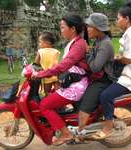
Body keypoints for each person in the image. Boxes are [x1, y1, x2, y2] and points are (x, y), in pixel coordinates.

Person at [92, 2, 131, 140]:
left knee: (105, 95)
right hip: (128, 74)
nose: (117, 21)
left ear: (126, 19)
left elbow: (129, 59)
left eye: (118, 18)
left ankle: (109, 126)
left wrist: (115, 59)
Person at [32, 14, 89, 145]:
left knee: (44, 105)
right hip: (72, 82)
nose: (61, 30)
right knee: (50, 96)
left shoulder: (79, 44)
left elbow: (63, 65)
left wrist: (41, 74)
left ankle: (65, 133)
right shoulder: (73, 43)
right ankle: (61, 128)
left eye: (63, 27)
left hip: (76, 86)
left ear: (73, 28)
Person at [78, 13, 117, 135]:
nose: (87, 29)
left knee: (84, 107)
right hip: (97, 79)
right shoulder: (99, 41)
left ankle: (79, 135)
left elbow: (95, 67)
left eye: (90, 26)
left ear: (98, 28)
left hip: (103, 81)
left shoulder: (105, 44)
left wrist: (88, 53)